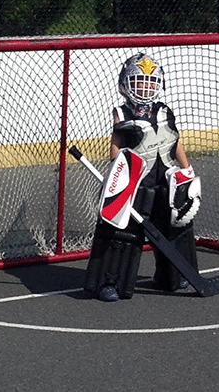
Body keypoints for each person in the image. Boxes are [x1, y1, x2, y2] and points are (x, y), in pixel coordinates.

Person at [83, 52, 201, 302]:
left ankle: (173, 275)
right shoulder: (122, 113)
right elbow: (116, 146)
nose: (145, 87)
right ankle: (110, 282)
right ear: (125, 84)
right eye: (139, 81)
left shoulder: (165, 111)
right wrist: (116, 176)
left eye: (150, 81)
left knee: (174, 228)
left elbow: (175, 142)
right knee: (123, 233)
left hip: (165, 181)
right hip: (136, 184)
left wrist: (187, 170)